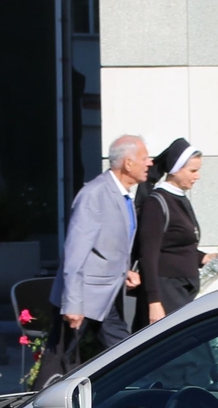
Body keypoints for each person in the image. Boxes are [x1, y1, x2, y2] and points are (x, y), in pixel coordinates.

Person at [53, 134, 150, 360]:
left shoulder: (121, 195)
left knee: (126, 355)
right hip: (84, 298)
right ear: (128, 163)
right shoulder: (94, 194)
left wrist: (122, 270)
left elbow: (105, 245)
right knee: (59, 364)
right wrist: (73, 303)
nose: (150, 163)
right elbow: (75, 252)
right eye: (145, 158)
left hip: (106, 298)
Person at [134, 139, 207, 325]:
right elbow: (148, 255)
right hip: (166, 290)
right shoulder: (157, 203)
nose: (197, 176)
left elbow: (176, 244)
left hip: (181, 288)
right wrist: (154, 301)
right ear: (175, 170)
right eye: (192, 171)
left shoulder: (179, 198)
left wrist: (203, 258)